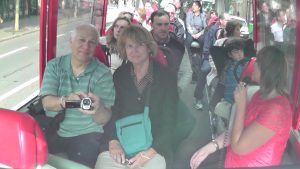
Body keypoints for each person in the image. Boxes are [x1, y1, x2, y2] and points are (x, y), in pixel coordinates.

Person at [190, 46, 292, 168]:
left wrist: (241, 105)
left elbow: (238, 147)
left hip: (248, 163)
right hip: (233, 158)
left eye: (257, 62)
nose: (253, 64)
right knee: (191, 154)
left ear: (266, 70)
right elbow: (237, 130)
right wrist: (213, 145)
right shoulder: (260, 95)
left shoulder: (276, 110)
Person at [95, 25, 178, 169]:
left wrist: (149, 153)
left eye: (140, 45)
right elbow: (113, 111)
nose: (134, 51)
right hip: (120, 140)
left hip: (154, 146)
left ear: (148, 47)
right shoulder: (120, 75)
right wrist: (113, 141)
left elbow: (170, 121)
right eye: (129, 46)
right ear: (124, 49)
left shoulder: (166, 76)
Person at [40, 24, 115, 168]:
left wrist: (98, 109)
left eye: (92, 42)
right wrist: (66, 101)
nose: (86, 47)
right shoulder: (54, 66)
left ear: (96, 47)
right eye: (81, 40)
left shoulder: (103, 73)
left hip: (87, 133)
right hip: (55, 127)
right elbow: (46, 103)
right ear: (71, 42)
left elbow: (104, 119)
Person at [150, 9, 185, 74]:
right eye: (159, 24)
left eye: (166, 24)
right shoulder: (143, 45)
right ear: (152, 25)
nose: (163, 28)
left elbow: (186, 72)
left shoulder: (178, 46)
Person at [185, 0, 207, 82]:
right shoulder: (189, 14)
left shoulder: (203, 15)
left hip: (200, 35)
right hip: (191, 34)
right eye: (192, 5)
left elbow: (205, 27)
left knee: (199, 53)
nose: (193, 7)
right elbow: (188, 25)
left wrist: (198, 34)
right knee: (191, 51)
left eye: (195, 5)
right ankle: (194, 72)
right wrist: (192, 34)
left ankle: (199, 72)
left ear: (199, 7)